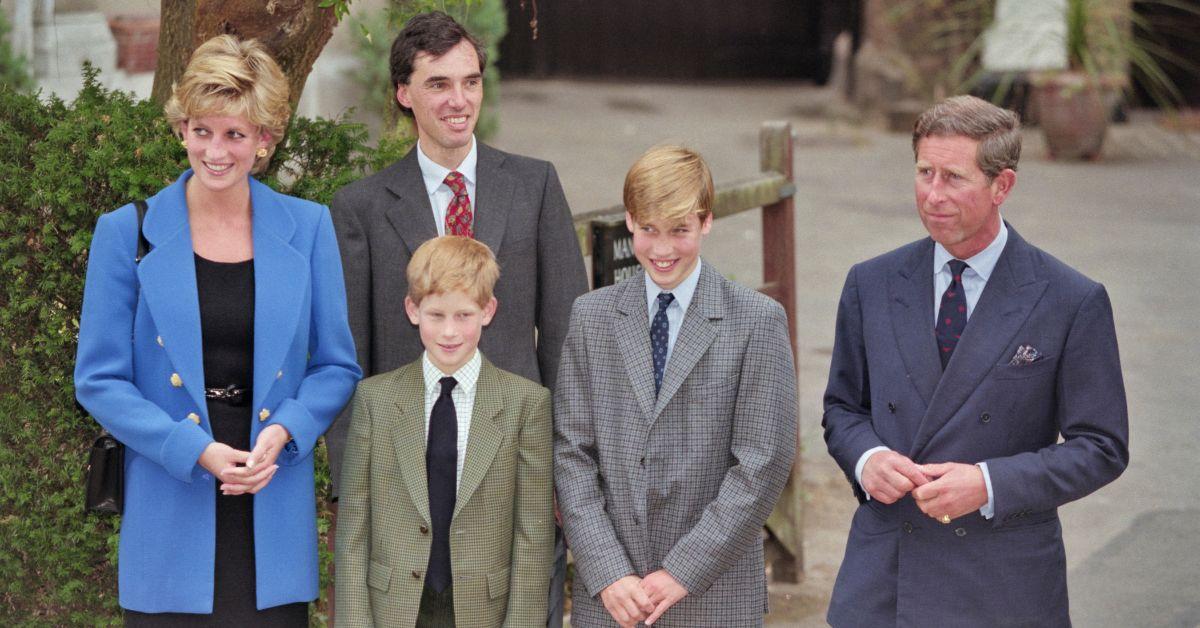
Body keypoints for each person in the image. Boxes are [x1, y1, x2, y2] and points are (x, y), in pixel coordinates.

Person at [73, 35, 361, 624]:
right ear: (181, 128)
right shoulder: (125, 232)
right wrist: (194, 449)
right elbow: (99, 380)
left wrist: (286, 430)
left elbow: (336, 365)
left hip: (270, 495)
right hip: (169, 496)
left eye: (235, 133)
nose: (217, 151)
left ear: (265, 139)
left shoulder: (308, 228)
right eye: (202, 130)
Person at [822, 95, 1130, 626]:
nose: (933, 195)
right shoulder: (870, 283)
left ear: (1001, 185)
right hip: (886, 576)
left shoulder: (1069, 298)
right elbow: (843, 409)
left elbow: (1102, 447)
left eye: (953, 178)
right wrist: (868, 459)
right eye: (924, 172)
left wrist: (988, 484)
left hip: (1002, 582)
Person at [326, 11, 586, 625]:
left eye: (469, 82)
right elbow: (349, 356)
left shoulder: (535, 185)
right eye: (438, 84)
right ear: (404, 93)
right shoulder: (361, 207)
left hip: (515, 471)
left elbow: (568, 342)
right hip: (407, 476)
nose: (458, 100)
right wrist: (350, 484)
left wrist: (563, 471)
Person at [554, 146, 797, 627]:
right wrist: (606, 571)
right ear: (629, 221)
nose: (662, 249)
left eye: (679, 231)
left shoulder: (756, 322)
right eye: (649, 230)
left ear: (706, 222)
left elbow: (761, 464)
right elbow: (571, 452)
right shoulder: (592, 317)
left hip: (712, 594)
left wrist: (683, 571)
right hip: (612, 599)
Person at [335, 235, 554, 626]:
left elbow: (532, 536)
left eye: (464, 315)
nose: (449, 332)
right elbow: (354, 529)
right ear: (412, 309)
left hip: (485, 609)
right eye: (436, 315)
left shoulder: (527, 404)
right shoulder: (375, 399)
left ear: (488, 311)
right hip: (395, 607)